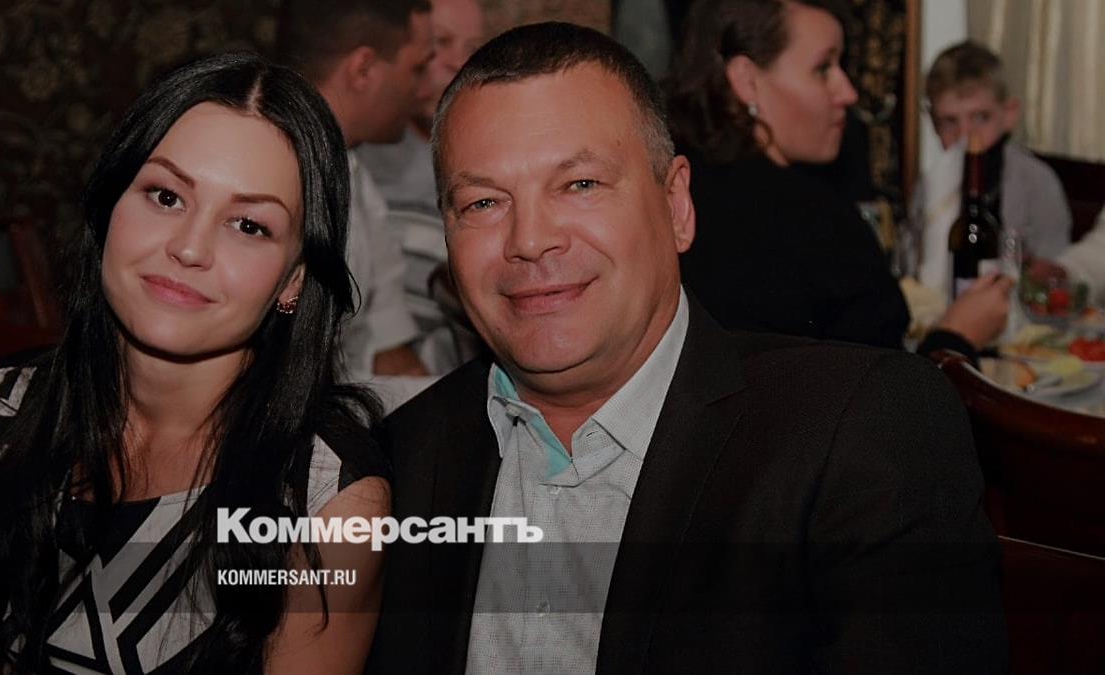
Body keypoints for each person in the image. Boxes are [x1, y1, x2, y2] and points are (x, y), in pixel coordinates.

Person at [368, 22, 1005, 674]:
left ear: (676, 205)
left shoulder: (857, 435)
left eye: (580, 184)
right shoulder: (397, 459)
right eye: (482, 202)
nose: (530, 240)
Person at [0, 53, 388, 674]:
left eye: (249, 225)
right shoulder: (0, 415)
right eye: (166, 196)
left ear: (294, 279)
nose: (190, 248)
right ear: (111, 204)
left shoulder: (329, 507)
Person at [665, 0, 1011, 357]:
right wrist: (957, 336)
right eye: (823, 68)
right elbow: (882, 388)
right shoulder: (812, 220)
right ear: (747, 81)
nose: (848, 92)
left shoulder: (674, 191)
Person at [279, 0, 435, 379]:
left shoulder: (355, 175)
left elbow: (387, 345)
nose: (423, 90)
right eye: (416, 68)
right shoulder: (271, 177)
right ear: (363, 68)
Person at [357, 0, 487, 375]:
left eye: (473, 49)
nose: (458, 63)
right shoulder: (361, 153)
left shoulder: (496, 157)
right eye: (440, 43)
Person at [911, 40, 1071, 293]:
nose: (965, 136)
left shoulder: (1037, 183)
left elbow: (1055, 275)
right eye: (950, 122)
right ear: (933, 123)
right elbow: (916, 265)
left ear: (1009, 113)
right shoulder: (930, 186)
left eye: (980, 118)